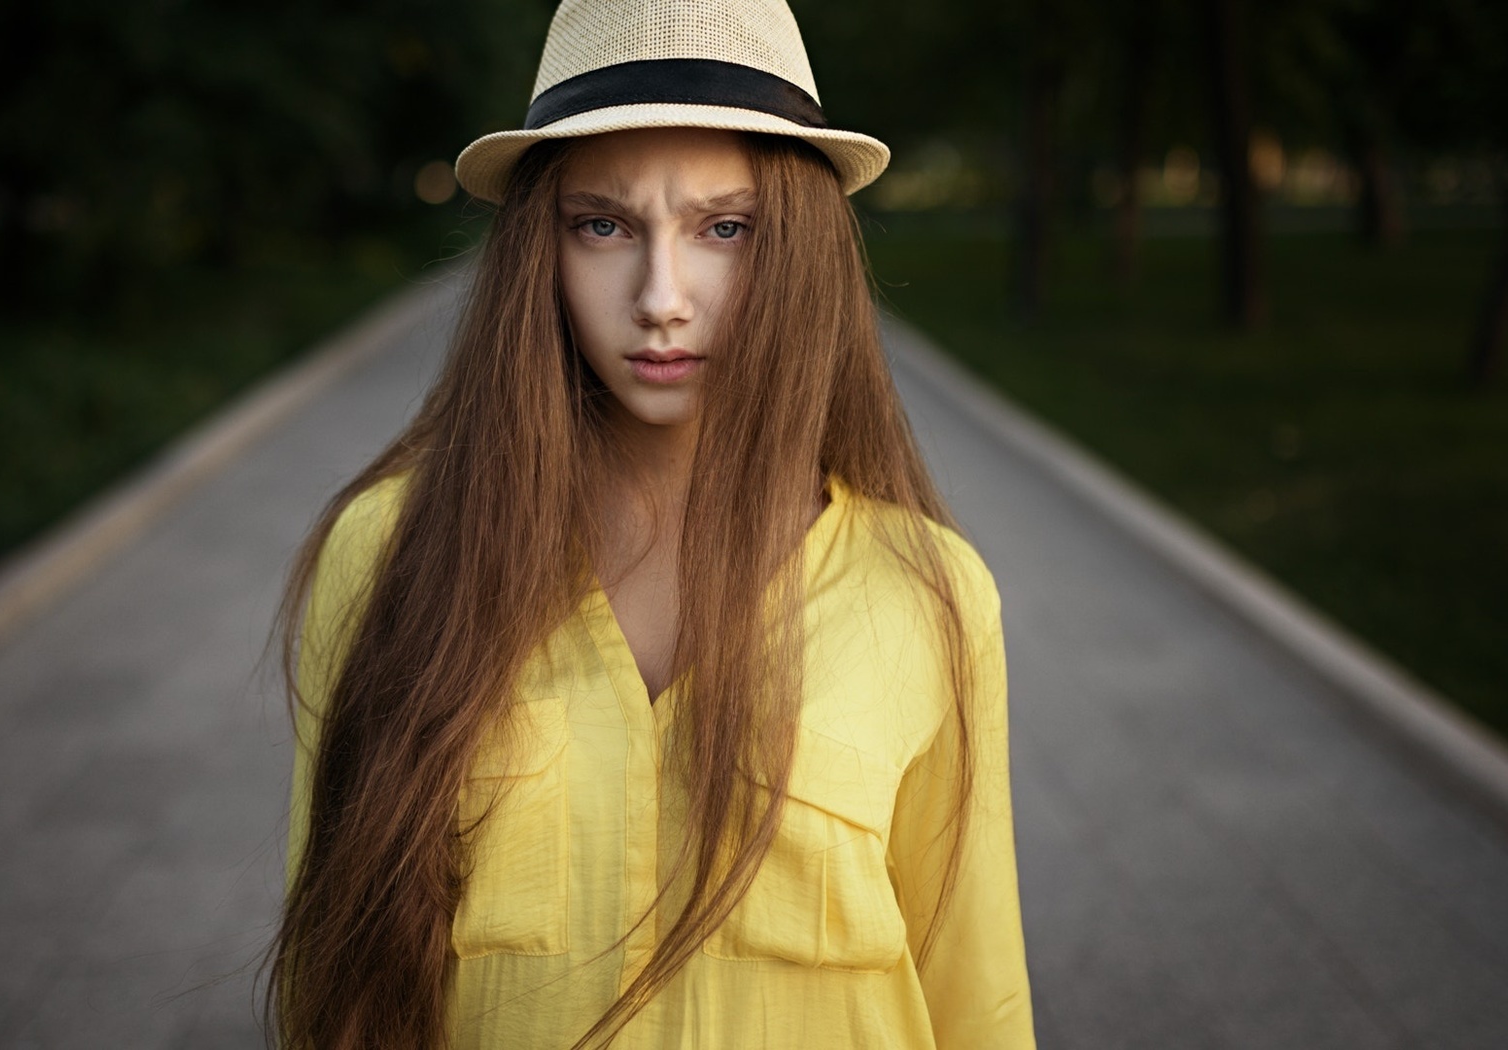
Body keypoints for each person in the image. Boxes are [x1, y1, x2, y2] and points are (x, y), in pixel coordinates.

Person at [265, 1, 1035, 1047]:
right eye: (604, 225)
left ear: (800, 250)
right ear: (541, 249)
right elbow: (333, 993)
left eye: (726, 228)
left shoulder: (928, 590)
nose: (662, 296)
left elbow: (975, 994)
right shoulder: (392, 550)